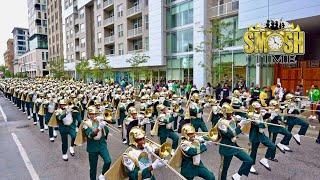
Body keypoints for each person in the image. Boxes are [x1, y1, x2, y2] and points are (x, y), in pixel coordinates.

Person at [217, 103, 253, 180]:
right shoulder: (221, 123)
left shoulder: (232, 118)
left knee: (249, 160)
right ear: (225, 113)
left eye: (232, 112)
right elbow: (231, 134)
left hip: (234, 145)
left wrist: (246, 118)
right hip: (226, 147)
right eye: (229, 113)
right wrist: (241, 125)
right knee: (224, 169)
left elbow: (235, 126)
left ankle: (237, 175)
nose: (231, 114)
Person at [82, 106, 111, 180]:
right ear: (88, 114)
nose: (94, 115)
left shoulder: (99, 120)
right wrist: (99, 128)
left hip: (102, 145)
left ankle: (102, 174)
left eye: (95, 114)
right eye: (92, 114)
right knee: (93, 168)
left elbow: (107, 131)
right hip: (92, 147)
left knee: (108, 161)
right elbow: (90, 135)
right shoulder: (86, 123)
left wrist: (104, 125)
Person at [249, 101, 278, 174]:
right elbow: (262, 125)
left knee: (272, 146)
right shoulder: (253, 116)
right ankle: (250, 166)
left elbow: (264, 116)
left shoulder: (259, 113)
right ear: (255, 109)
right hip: (255, 135)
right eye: (258, 108)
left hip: (261, 134)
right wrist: (271, 117)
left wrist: (272, 111)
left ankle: (265, 159)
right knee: (253, 151)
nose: (260, 109)